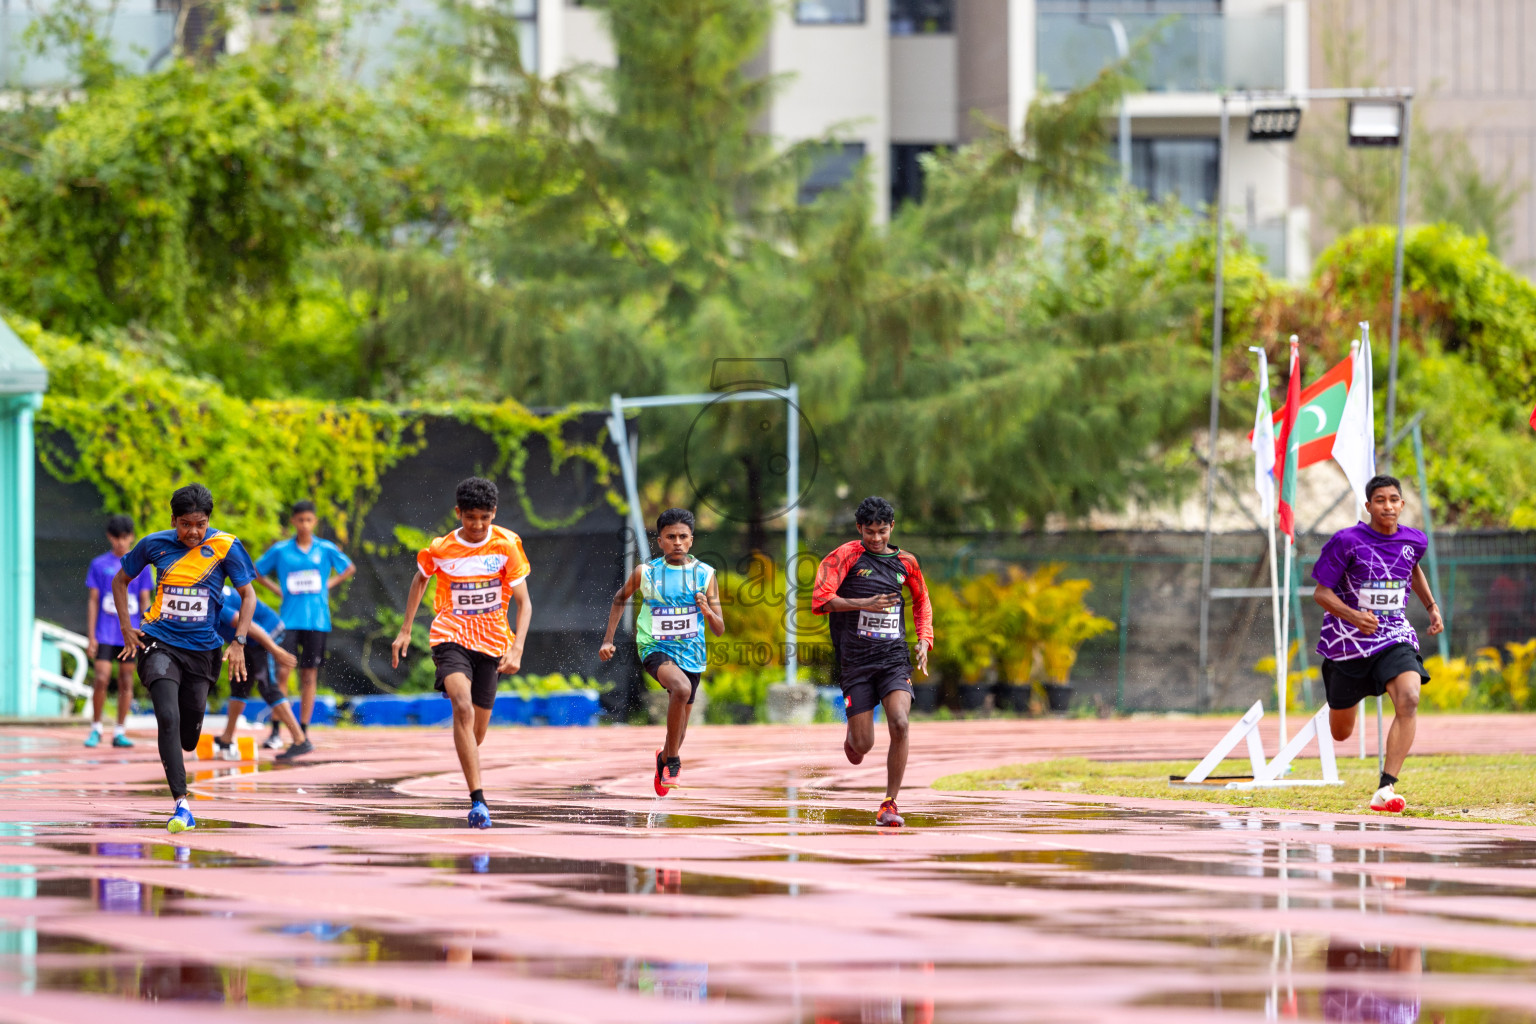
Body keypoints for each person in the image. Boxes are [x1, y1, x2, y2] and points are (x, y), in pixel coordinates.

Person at [113, 483, 259, 833]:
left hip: (203, 652)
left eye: (201, 524)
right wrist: (126, 628)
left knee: (188, 735)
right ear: (173, 520)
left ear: (208, 520)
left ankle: (185, 742)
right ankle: (181, 804)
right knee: (167, 715)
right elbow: (121, 581)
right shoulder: (153, 544)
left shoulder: (226, 546)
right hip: (159, 641)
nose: (193, 532)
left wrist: (238, 641)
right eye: (185, 524)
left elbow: (249, 595)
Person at [391, 477, 532, 829]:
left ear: (494, 514)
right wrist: (406, 629)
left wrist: (517, 647)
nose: (478, 525)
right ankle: (478, 800)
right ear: (459, 514)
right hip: (450, 636)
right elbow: (420, 578)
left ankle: (465, 750)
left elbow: (525, 603)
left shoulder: (506, 545)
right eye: (471, 518)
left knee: (476, 733)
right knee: (462, 705)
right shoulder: (441, 548)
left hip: (493, 643)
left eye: (485, 517)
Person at [1312, 474, 1443, 814]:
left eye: (1394, 499)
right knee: (1341, 732)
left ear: (1402, 504)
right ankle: (1348, 698)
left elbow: (1412, 568)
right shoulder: (1347, 541)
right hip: (1347, 642)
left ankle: (1386, 786)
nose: (1388, 505)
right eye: (1380, 500)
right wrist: (1354, 616)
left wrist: (1430, 606)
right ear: (1368, 506)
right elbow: (1321, 593)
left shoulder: (1415, 540)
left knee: (1410, 697)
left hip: (1393, 633)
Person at [812, 496, 933, 828]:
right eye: (869, 532)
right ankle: (853, 734)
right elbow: (821, 600)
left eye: (882, 531)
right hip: (856, 662)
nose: (876, 539)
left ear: (891, 527)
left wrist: (924, 639)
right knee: (861, 747)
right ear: (859, 529)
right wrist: (864, 602)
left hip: (893, 659)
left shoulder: (907, 562)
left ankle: (889, 803)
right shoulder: (845, 556)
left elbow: (922, 601)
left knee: (900, 722)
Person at [599, 508, 724, 796]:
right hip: (654, 647)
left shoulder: (705, 575)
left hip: (692, 653)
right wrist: (608, 640)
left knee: (678, 734)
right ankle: (674, 762)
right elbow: (620, 599)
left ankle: (665, 757)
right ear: (660, 541)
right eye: (671, 537)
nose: (677, 542)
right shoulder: (647, 572)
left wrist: (707, 610)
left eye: (683, 536)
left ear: (691, 540)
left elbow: (719, 628)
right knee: (679, 689)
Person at [254, 500, 355, 750]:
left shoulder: (325, 548)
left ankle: (304, 730)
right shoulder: (281, 550)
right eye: (300, 520)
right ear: (293, 522)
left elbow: (349, 568)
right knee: (283, 672)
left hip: (317, 621)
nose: (305, 524)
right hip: (289, 620)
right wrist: (279, 591)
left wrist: (327, 586)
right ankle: (277, 730)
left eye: (309, 520)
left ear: (315, 521)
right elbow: (256, 570)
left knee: (309, 675)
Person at [212, 585, 309, 762]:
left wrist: (275, 650)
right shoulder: (200, 595)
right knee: (239, 681)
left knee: (267, 686)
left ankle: (300, 738)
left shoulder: (214, 604)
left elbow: (251, 625)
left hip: (265, 632)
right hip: (247, 640)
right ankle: (227, 738)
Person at [83, 515, 153, 748]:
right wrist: (91, 635)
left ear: (131, 537)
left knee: (126, 680)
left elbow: (145, 600)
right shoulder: (99, 564)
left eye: (125, 538)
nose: (121, 542)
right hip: (105, 632)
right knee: (101, 678)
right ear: (109, 537)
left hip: (130, 633)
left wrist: (148, 629)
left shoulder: (141, 566)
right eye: (116, 538)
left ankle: (120, 731)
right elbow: (94, 601)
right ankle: (95, 728)